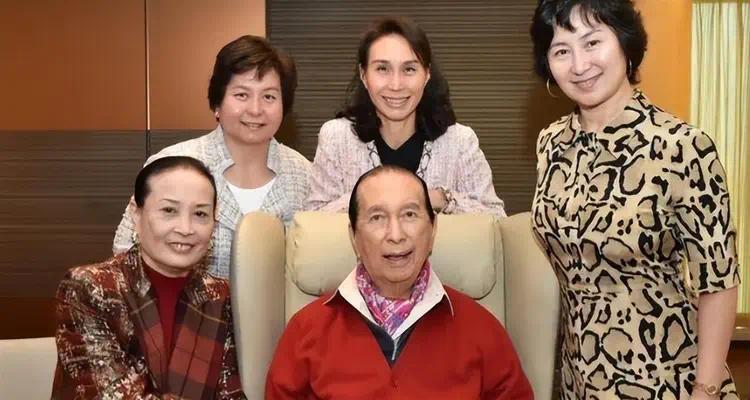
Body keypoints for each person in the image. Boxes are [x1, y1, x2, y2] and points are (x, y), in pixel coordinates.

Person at [530, 1, 741, 399]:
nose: (579, 64)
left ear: (625, 43)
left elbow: (718, 281)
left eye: (593, 42)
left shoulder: (683, 147)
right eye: (561, 50)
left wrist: (706, 389)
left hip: (666, 377)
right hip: (580, 377)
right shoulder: (551, 143)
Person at [266, 165, 532, 399]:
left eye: (409, 215)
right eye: (377, 218)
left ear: (433, 229)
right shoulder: (306, 330)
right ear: (354, 236)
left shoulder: (481, 329)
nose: (396, 235)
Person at [114, 35, 311, 278]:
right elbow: (124, 251)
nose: (256, 109)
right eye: (242, 95)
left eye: (269, 96)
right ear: (217, 102)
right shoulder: (173, 163)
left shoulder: (304, 174)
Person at [53, 156, 246, 399]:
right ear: (136, 214)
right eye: (169, 210)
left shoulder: (220, 296)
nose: (185, 228)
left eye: (200, 214)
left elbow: (231, 393)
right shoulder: (91, 287)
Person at [306, 16, 505, 216]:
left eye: (409, 69)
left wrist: (439, 198)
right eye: (382, 69)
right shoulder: (336, 137)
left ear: (426, 74)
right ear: (364, 75)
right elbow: (313, 219)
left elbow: (496, 219)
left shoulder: (459, 141)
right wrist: (372, 198)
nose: (396, 85)